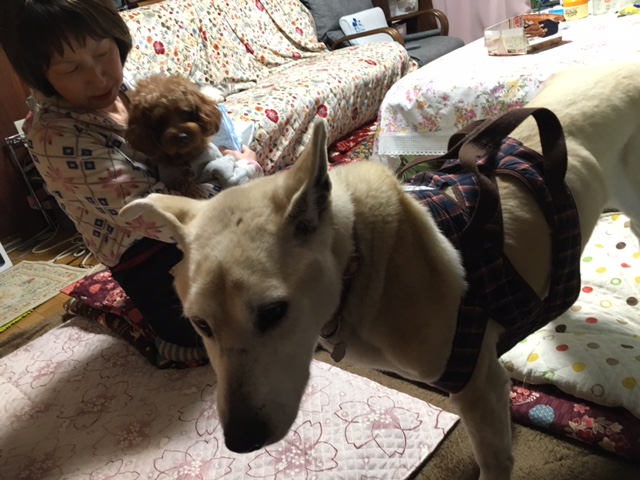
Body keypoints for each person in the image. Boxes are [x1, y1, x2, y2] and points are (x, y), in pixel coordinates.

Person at [0, 0, 259, 363]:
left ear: (116, 38)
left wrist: (227, 161)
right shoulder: (55, 139)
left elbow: (201, 143)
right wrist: (242, 173)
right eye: (72, 68)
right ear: (42, 76)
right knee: (234, 330)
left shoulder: (131, 84)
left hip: (207, 225)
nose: (98, 78)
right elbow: (163, 219)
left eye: (102, 53)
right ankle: (174, 342)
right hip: (155, 255)